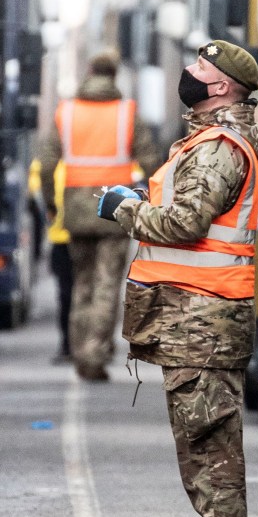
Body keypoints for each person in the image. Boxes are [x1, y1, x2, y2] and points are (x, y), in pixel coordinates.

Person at [97, 39, 258, 517]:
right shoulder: (206, 140)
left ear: (219, 86)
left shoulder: (219, 147)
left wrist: (124, 208)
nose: (188, 74)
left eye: (199, 68)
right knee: (202, 441)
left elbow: (186, 223)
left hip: (204, 319)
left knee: (211, 444)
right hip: (195, 318)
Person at [39, 49, 159, 381]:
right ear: (115, 74)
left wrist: (51, 203)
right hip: (114, 208)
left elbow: (47, 163)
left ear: (90, 70)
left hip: (76, 208)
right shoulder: (127, 113)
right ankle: (94, 353)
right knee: (107, 284)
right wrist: (156, 199)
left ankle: (80, 351)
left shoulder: (67, 113)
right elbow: (150, 160)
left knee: (83, 283)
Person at [29, 158, 73, 362]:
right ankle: (84, 345)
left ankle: (69, 345)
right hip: (84, 238)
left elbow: (36, 192)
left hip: (63, 239)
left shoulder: (47, 164)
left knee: (67, 295)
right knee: (84, 293)